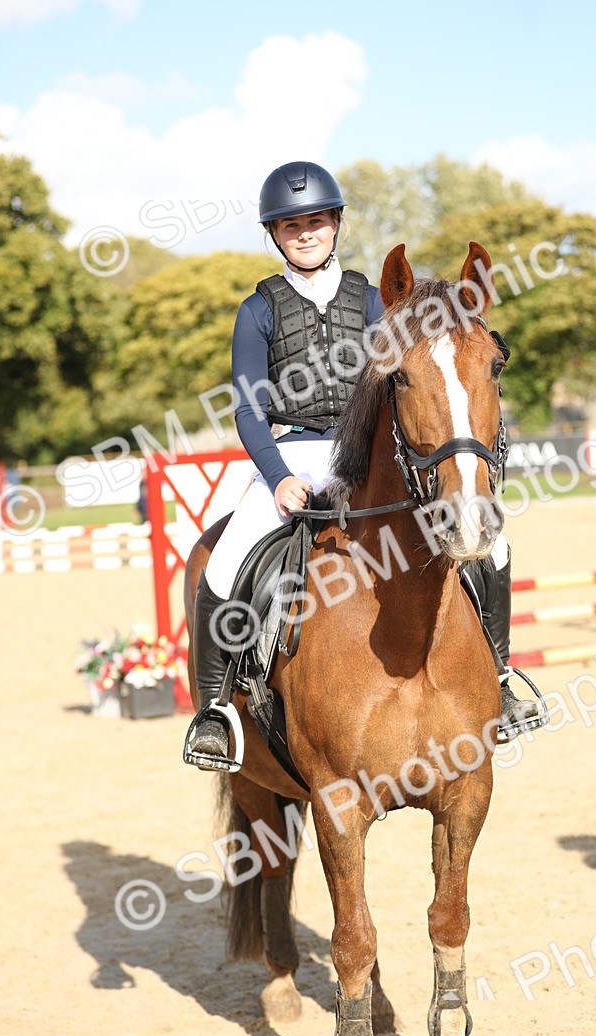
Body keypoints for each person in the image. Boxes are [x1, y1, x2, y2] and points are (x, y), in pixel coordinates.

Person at [184, 161, 542, 770]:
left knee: (495, 547)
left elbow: (416, 376)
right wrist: (278, 477)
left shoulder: (374, 300)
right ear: (274, 234)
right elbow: (248, 409)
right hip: (293, 454)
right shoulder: (258, 310)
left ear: (336, 223)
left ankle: (501, 678)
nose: (305, 233)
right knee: (222, 563)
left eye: (316, 221)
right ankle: (216, 711)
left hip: (367, 452)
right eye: (291, 225)